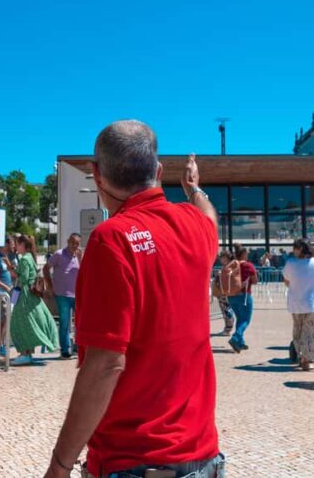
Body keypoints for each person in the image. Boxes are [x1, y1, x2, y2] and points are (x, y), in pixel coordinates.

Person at [45, 120, 224, 478]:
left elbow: (105, 364)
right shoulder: (195, 225)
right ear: (158, 171)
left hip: (134, 459)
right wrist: (194, 189)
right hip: (203, 457)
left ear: (97, 176)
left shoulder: (111, 239)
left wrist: (60, 464)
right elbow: (210, 217)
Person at [9, 234, 59, 366]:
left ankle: (26, 354)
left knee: (21, 323)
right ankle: (27, 352)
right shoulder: (30, 257)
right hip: (30, 294)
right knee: (28, 322)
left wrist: (12, 270)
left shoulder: (25, 259)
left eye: (17, 244)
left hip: (24, 294)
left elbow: (23, 278)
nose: (16, 246)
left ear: (22, 245)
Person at [282, 239, 314, 371]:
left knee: (298, 330)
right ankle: (306, 360)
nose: (294, 251)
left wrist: (296, 287)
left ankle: (300, 355)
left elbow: (286, 280)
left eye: (295, 248)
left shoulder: (290, 263)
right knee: (311, 332)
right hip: (312, 303)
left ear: (300, 249)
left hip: (295, 303)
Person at [43, 233, 83, 359]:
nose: (74, 245)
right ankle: (65, 349)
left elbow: (85, 272)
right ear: (67, 241)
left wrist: (81, 259)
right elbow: (46, 268)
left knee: (79, 323)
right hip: (62, 294)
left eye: (77, 243)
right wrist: (49, 285)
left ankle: (77, 346)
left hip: (77, 295)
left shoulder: (79, 256)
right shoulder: (59, 254)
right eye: (72, 242)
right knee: (65, 322)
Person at [227, 244, 258, 353]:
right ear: (244, 254)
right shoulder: (248, 266)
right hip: (244, 295)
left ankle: (240, 342)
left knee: (240, 318)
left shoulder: (231, 265)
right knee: (245, 320)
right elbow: (255, 281)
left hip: (231, 296)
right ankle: (235, 338)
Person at [213, 251, 236, 335]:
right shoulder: (227, 266)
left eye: (222, 257)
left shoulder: (228, 267)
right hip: (223, 291)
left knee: (226, 310)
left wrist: (219, 275)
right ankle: (227, 327)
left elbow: (228, 278)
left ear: (226, 258)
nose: (220, 259)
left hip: (224, 292)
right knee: (225, 309)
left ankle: (228, 328)